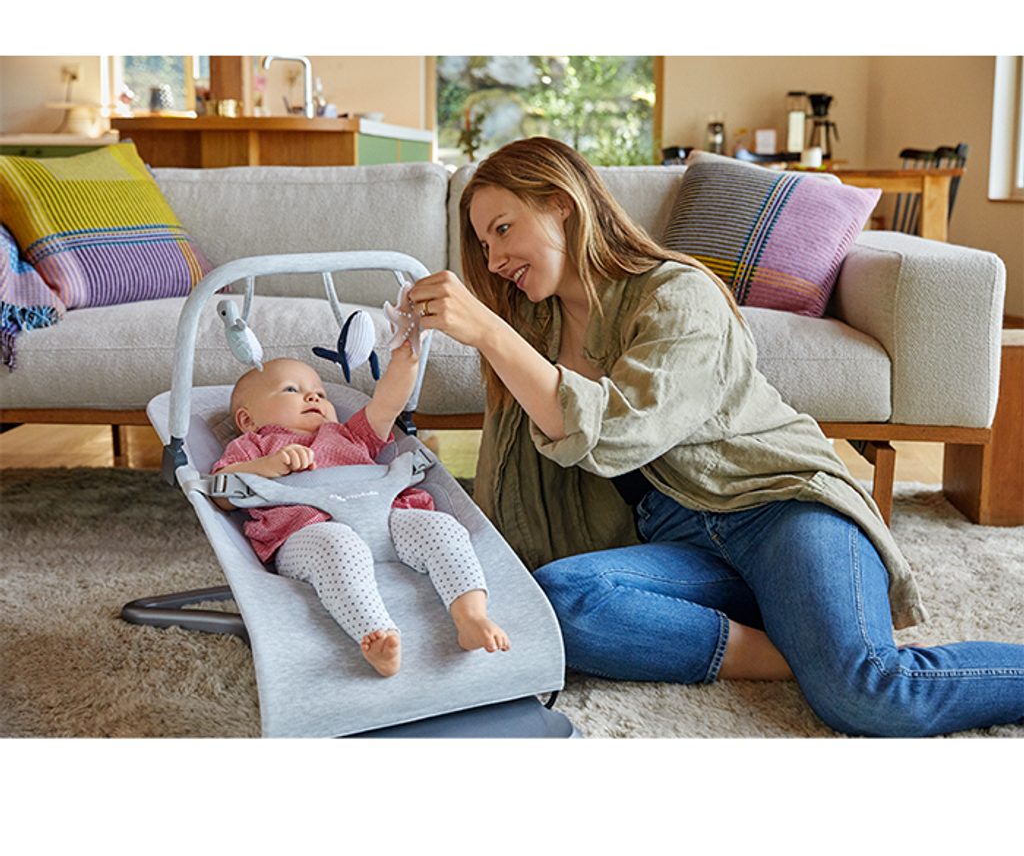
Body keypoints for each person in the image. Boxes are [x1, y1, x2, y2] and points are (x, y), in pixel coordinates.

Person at [407, 135, 1024, 736]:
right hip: (678, 536)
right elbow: (509, 472)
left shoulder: (679, 294)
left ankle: (825, 660)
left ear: (562, 205)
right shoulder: (533, 327)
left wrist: (490, 333)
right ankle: (788, 655)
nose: (493, 260)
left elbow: (618, 430)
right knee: (564, 598)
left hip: (778, 508)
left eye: (503, 229)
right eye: (483, 243)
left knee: (867, 692)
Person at [212, 352, 509, 677]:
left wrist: (407, 358)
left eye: (320, 393)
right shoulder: (254, 446)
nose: (313, 396)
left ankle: (471, 615)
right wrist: (266, 466)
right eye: (291, 390)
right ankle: (376, 633)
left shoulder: (348, 434)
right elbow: (222, 492)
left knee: (441, 527)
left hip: (387, 519)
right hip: (310, 533)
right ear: (247, 420)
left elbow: (387, 404)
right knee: (336, 546)